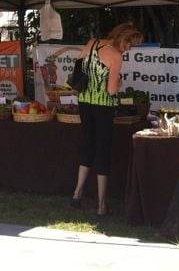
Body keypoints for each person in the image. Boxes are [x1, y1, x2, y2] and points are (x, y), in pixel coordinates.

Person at [71, 22, 143, 215]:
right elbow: (111, 90)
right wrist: (119, 82)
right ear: (122, 37)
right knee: (103, 150)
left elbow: (79, 66)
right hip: (103, 106)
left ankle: (77, 193)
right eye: (129, 44)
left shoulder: (92, 43)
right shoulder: (116, 56)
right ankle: (102, 204)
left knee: (88, 145)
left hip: (84, 102)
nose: (129, 49)